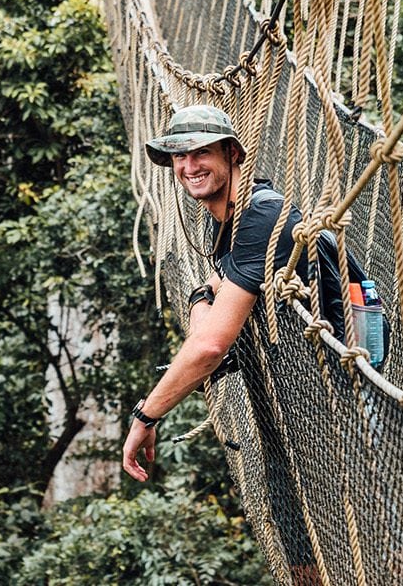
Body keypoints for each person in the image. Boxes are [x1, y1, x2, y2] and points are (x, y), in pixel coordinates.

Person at [120, 104, 321, 582]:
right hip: (288, 392)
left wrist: (145, 417)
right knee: (292, 523)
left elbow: (209, 346)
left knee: (337, 530)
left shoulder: (259, 216)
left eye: (201, 153)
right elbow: (215, 294)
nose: (189, 167)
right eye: (179, 157)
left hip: (332, 392)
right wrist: (202, 298)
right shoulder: (228, 215)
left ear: (232, 153)